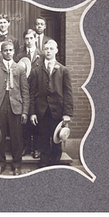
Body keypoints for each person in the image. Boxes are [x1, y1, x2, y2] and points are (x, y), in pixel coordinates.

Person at [0, 41, 29, 175]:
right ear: (1, 52)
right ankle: (0, 163)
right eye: (6, 50)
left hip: (15, 105)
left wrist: (25, 111)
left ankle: (17, 164)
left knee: (17, 137)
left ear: (14, 52)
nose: (8, 52)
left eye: (10, 50)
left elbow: (25, 91)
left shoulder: (20, 69)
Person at [29, 39, 73, 167]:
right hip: (41, 111)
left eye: (51, 49)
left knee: (56, 140)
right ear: (43, 51)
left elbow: (68, 93)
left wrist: (67, 113)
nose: (48, 51)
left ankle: (55, 165)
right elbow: (32, 93)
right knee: (42, 138)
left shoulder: (63, 70)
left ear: (56, 51)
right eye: (46, 49)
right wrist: (32, 113)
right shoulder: (36, 71)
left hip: (57, 111)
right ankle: (43, 165)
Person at [16, 29, 43, 158]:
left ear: (35, 39)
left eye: (31, 38)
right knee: (25, 121)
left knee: (36, 121)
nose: (29, 41)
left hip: (37, 92)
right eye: (26, 38)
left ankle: (37, 148)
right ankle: (25, 147)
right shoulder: (19, 56)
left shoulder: (42, 55)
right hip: (23, 92)